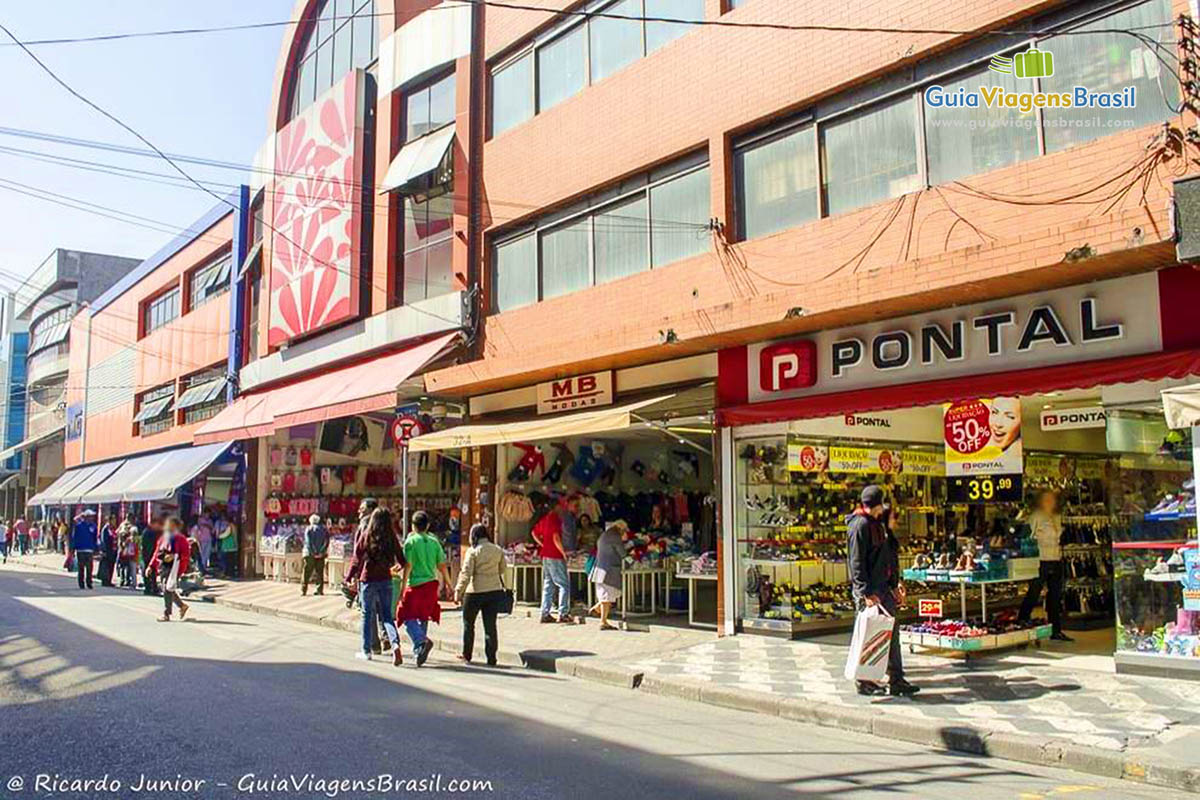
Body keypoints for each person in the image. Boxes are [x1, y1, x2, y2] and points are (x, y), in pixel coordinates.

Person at [846, 485, 918, 697]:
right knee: (870, 636)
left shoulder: (877, 524)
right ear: (875, 505)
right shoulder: (860, 526)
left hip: (883, 588)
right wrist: (865, 592)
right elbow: (856, 562)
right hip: (872, 592)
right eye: (881, 507)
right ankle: (864, 680)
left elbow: (887, 557)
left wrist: (894, 584)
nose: (883, 511)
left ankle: (895, 678)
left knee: (890, 634)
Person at [345, 507, 404, 665]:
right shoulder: (391, 537)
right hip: (386, 580)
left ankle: (366, 650)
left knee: (366, 614)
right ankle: (395, 644)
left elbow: (356, 559)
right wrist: (398, 567)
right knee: (387, 616)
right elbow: (401, 558)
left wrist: (349, 577)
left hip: (368, 580)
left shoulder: (366, 536)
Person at [397, 510, 451, 667]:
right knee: (423, 616)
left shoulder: (411, 542)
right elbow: (442, 565)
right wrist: (449, 584)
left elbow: (408, 566)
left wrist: (402, 589)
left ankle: (421, 641)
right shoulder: (434, 541)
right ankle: (419, 650)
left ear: (413, 526)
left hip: (415, 585)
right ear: (427, 526)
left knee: (406, 616)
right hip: (431, 585)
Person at [1018, 489, 1072, 642]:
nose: (1050, 502)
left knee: (1055, 596)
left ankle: (1056, 630)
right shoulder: (1036, 517)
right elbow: (1026, 538)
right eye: (1046, 499)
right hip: (1040, 560)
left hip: (1055, 558)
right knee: (1033, 593)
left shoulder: (1056, 516)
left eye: (1052, 499)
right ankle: (1021, 623)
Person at [454, 523, 507, 665]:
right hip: (494, 591)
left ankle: (467, 654)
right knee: (490, 625)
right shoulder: (497, 550)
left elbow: (466, 573)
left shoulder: (473, 551)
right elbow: (502, 569)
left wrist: (458, 591)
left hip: (475, 591)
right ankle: (491, 657)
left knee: (468, 624)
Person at [532, 507, 571, 624]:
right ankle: (563, 613)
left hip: (546, 555)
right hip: (555, 555)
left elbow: (533, 532)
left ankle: (545, 613)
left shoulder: (544, 520)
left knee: (548, 584)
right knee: (563, 584)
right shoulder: (555, 520)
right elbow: (556, 538)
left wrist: (543, 544)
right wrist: (563, 553)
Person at [148, 516, 190, 622]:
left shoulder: (181, 539)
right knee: (167, 588)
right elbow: (157, 552)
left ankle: (166, 614)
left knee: (167, 588)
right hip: (164, 566)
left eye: (170, 524)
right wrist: (151, 566)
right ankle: (182, 606)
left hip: (175, 567)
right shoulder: (163, 538)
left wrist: (175, 556)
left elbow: (186, 554)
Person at [588, 522, 625, 631]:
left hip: (600, 569)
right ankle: (603, 621)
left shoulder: (604, 535)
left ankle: (597, 608)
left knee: (605, 595)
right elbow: (622, 553)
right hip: (609, 571)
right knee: (606, 596)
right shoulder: (615, 536)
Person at [301, 513, 329, 596]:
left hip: (309, 554)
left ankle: (304, 589)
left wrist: (313, 552)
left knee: (306, 572)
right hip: (321, 555)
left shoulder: (308, 529)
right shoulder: (324, 529)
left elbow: (308, 542)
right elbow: (326, 541)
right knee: (319, 572)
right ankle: (319, 589)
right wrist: (321, 552)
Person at [71, 511, 99, 590]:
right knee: (81, 568)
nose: (91, 518)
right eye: (89, 516)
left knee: (89, 568)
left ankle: (89, 582)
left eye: (92, 516)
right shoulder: (79, 526)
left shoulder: (93, 526)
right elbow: (75, 538)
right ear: (85, 517)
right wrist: (73, 549)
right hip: (80, 550)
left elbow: (95, 538)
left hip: (89, 549)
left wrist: (96, 548)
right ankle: (81, 583)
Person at [117, 517, 139, 589]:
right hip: (126, 553)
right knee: (125, 567)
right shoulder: (124, 532)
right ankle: (126, 580)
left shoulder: (130, 537)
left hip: (127, 553)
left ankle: (126, 581)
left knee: (127, 567)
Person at [97, 514, 118, 587]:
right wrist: (104, 550)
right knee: (106, 566)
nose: (114, 521)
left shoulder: (113, 528)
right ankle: (105, 580)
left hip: (113, 551)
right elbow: (104, 540)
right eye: (113, 520)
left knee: (111, 566)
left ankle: (109, 580)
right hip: (107, 551)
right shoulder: (106, 529)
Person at [141, 518, 160, 596]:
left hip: (146, 555)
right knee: (151, 572)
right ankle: (152, 588)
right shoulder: (151, 532)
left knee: (148, 572)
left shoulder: (146, 531)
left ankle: (148, 588)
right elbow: (151, 545)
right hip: (150, 555)